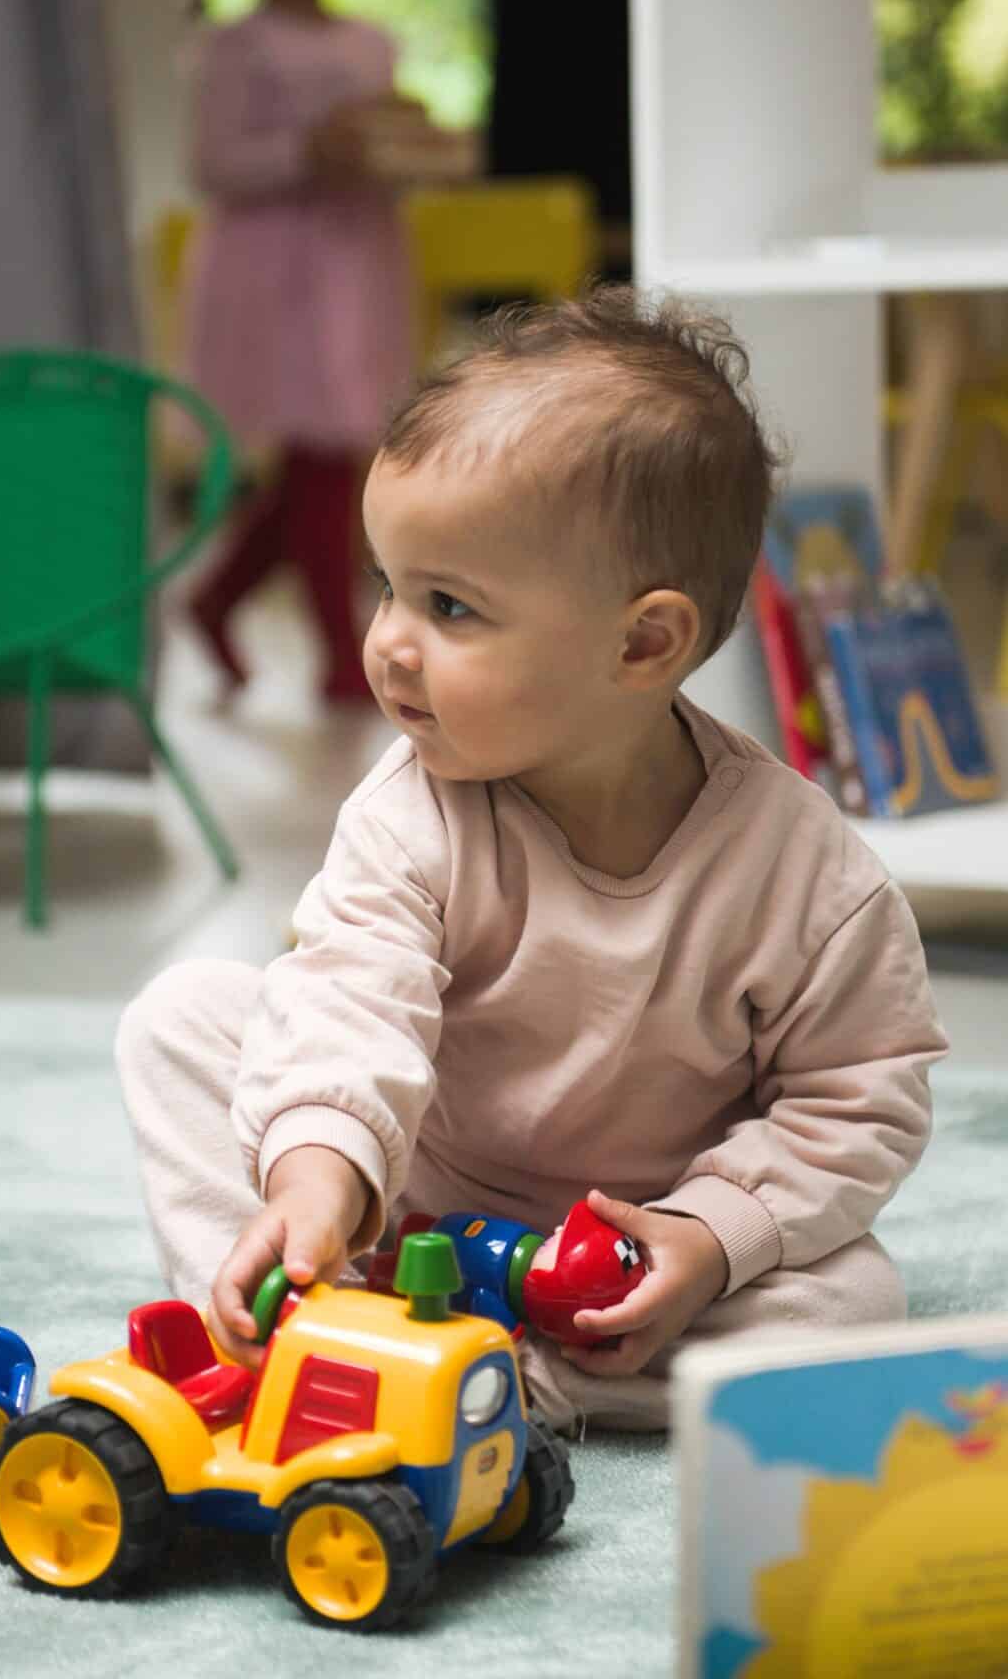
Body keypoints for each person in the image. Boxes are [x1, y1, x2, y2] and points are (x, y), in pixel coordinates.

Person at [118, 288, 948, 1432]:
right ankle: (295, 1323)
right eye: (386, 585)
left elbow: (856, 1097)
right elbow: (349, 999)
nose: (387, 642)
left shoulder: (806, 874)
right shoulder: (408, 811)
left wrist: (706, 1239)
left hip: (626, 1243)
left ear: (640, 641)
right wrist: (317, 1179)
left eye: (449, 605)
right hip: (406, 1194)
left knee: (854, 1297)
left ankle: (511, 1377)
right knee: (186, 1016)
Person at [178, 0, 420, 704]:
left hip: (356, 263)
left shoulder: (370, 42)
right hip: (277, 276)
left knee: (329, 458)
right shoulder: (232, 49)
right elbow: (214, 165)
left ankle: (215, 598)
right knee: (325, 459)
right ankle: (337, 651)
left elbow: (377, 153)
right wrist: (306, 151)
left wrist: (401, 146)